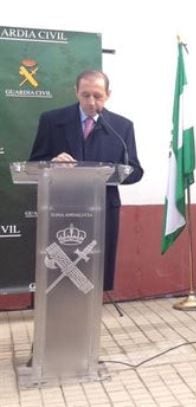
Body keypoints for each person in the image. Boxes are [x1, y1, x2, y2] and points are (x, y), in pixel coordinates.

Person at [29, 70, 143, 290]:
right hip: (61, 208)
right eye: (85, 95)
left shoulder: (121, 127)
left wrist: (110, 172)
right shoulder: (52, 121)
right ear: (76, 92)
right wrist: (52, 162)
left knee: (94, 276)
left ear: (108, 94)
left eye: (98, 96)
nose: (91, 102)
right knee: (60, 275)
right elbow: (34, 163)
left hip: (102, 209)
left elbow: (136, 171)